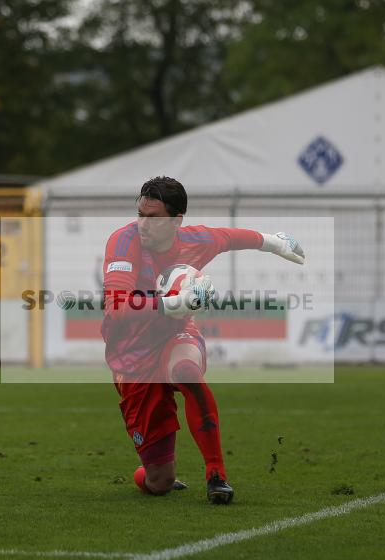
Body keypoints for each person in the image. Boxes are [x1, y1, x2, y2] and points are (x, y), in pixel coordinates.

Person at [100, 176, 305, 504]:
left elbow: (229, 238)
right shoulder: (123, 243)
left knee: (187, 372)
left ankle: (216, 474)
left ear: (176, 220)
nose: (142, 224)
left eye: (152, 217)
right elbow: (116, 307)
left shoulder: (195, 240)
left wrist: (275, 242)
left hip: (174, 334)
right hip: (132, 355)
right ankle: (153, 473)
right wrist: (172, 304)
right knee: (159, 482)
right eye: (140, 214)